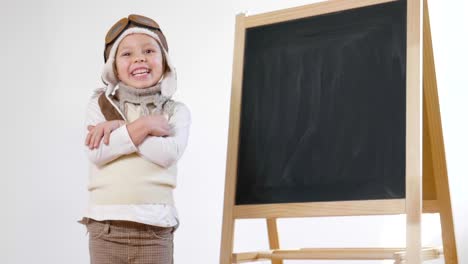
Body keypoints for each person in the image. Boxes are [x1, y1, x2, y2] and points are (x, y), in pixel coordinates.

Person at [80, 14, 191, 264]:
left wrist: (120, 129)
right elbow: (97, 152)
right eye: (127, 54)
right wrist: (144, 126)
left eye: (149, 50)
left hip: (154, 228)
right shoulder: (99, 105)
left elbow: (168, 153)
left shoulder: (175, 111)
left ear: (164, 62)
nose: (139, 58)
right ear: (114, 67)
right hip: (105, 227)